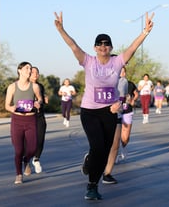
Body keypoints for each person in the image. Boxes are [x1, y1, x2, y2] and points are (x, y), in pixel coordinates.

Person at [53, 11, 154, 200]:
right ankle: (91, 185)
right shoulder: (88, 61)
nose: (103, 46)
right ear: (95, 47)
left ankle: (91, 165)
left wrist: (145, 32)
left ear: (111, 47)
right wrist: (61, 29)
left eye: (106, 44)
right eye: (99, 44)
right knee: (98, 147)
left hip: (109, 111)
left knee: (105, 151)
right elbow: (73, 45)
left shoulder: (117, 62)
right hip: (90, 112)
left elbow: (133, 47)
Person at [5, 62, 43, 184]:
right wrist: (13, 108)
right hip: (17, 121)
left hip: (31, 120)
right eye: (27, 68)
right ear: (19, 70)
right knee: (18, 150)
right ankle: (18, 174)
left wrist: (39, 103)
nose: (29, 70)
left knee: (32, 149)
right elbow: (7, 105)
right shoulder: (12, 87)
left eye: (30, 68)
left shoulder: (35, 87)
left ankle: (26, 161)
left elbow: (40, 98)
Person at [102, 66, 138, 184]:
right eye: (120, 70)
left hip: (126, 110)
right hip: (113, 112)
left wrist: (131, 100)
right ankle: (109, 157)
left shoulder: (128, 83)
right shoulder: (110, 81)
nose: (122, 72)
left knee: (125, 137)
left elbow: (134, 94)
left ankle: (122, 148)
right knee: (110, 140)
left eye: (123, 70)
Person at [30, 66, 48, 174]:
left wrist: (43, 100)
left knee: (40, 139)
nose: (35, 74)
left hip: (40, 116)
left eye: (37, 72)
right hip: (28, 116)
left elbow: (41, 98)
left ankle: (36, 159)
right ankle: (26, 161)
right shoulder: (24, 86)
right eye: (33, 72)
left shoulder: (40, 86)